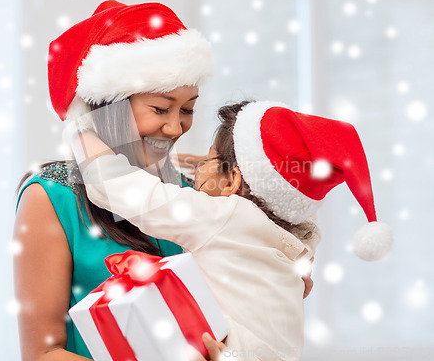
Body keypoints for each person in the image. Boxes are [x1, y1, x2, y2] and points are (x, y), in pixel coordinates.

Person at [69, 100, 393, 360]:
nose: (197, 174)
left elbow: (124, 190)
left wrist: (82, 131)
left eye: (209, 161)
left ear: (233, 181)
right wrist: (210, 167)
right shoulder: (296, 239)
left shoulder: (223, 217)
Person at [13, 0, 225, 360]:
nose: (175, 128)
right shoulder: (52, 197)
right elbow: (42, 354)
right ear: (107, 106)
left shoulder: (189, 192)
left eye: (187, 109)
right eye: (160, 108)